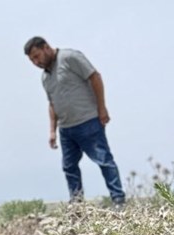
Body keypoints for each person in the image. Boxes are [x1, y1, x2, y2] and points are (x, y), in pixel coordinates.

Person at [24, 36, 125, 206]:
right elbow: (52, 103)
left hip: (88, 121)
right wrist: (52, 131)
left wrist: (102, 108)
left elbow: (95, 77)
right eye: (32, 60)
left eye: (36, 56)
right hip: (66, 129)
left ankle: (118, 200)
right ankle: (77, 206)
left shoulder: (70, 58)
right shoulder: (45, 78)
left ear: (46, 47)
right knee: (69, 168)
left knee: (104, 160)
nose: (36, 62)